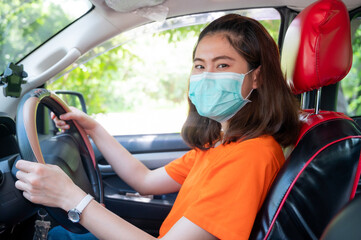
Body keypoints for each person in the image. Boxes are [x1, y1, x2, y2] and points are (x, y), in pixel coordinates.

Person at [15, 14, 300, 240]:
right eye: (199, 66)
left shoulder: (250, 156)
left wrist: (70, 196)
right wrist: (94, 129)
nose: (206, 76)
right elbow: (145, 180)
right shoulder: (223, 144)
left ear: (258, 77)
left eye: (223, 65)